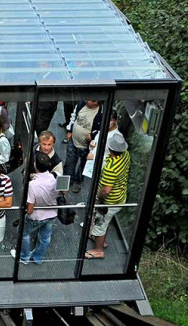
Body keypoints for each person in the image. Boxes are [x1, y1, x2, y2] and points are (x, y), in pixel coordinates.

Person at [85, 132, 130, 260]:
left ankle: (98, 249)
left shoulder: (111, 168)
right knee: (105, 221)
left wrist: (98, 198)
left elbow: (106, 190)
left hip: (109, 202)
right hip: (120, 196)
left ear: (110, 149)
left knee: (100, 224)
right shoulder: (126, 155)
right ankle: (99, 238)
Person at [18, 151, 58, 265]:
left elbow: (30, 208)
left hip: (37, 216)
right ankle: (38, 258)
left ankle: (24, 257)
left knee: (24, 233)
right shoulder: (54, 177)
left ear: (35, 165)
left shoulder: (33, 185)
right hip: (51, 214)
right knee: (45, 238)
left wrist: (27, 213)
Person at [64, 100, 102, 194]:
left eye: (89, 100)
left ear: (96, 102)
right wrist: (70, 130)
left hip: (86, 146)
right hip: (73, 140)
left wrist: (93, 136)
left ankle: (78, 182)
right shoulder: (81, 104)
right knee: (69, 162)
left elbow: (101, 129)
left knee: (83, 165)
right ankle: (67, 180)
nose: (86, 100)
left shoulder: (101, 113)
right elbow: (74, 116)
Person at [82, 110, 120, 180]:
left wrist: (94, 157)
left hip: (103, 171)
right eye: (105, 120)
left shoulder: (116, 137)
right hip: (93, 167)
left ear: (115, 120)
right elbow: (95, 145)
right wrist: (91, 146)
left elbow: (115, 158)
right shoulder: (103, 130)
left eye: (110, 120)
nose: (107, 122)